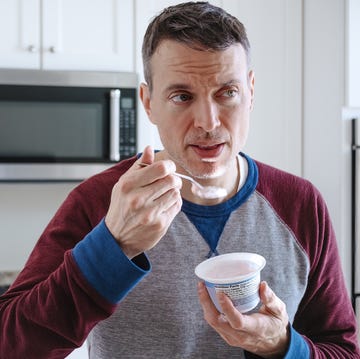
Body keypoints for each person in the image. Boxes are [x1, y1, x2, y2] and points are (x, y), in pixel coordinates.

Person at [0, 2, 359, 358]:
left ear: (250, 91)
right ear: (149, 102)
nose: (208, 122)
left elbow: (343, 350)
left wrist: (283, 346)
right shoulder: (100, 201)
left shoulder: (300, 204)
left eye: (227, 93)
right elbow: (9, 344)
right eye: (182, 96)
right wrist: (113, 245)